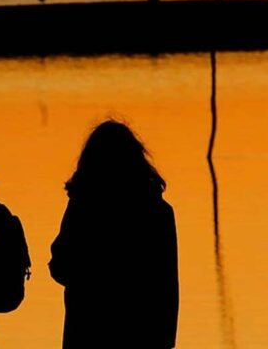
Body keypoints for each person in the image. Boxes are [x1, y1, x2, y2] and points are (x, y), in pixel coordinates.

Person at [49, 121, 178, 349]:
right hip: (143, 335)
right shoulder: (159, 212)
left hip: (87, 333)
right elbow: (167, 290)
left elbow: (60, 267)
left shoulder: (84, 206)